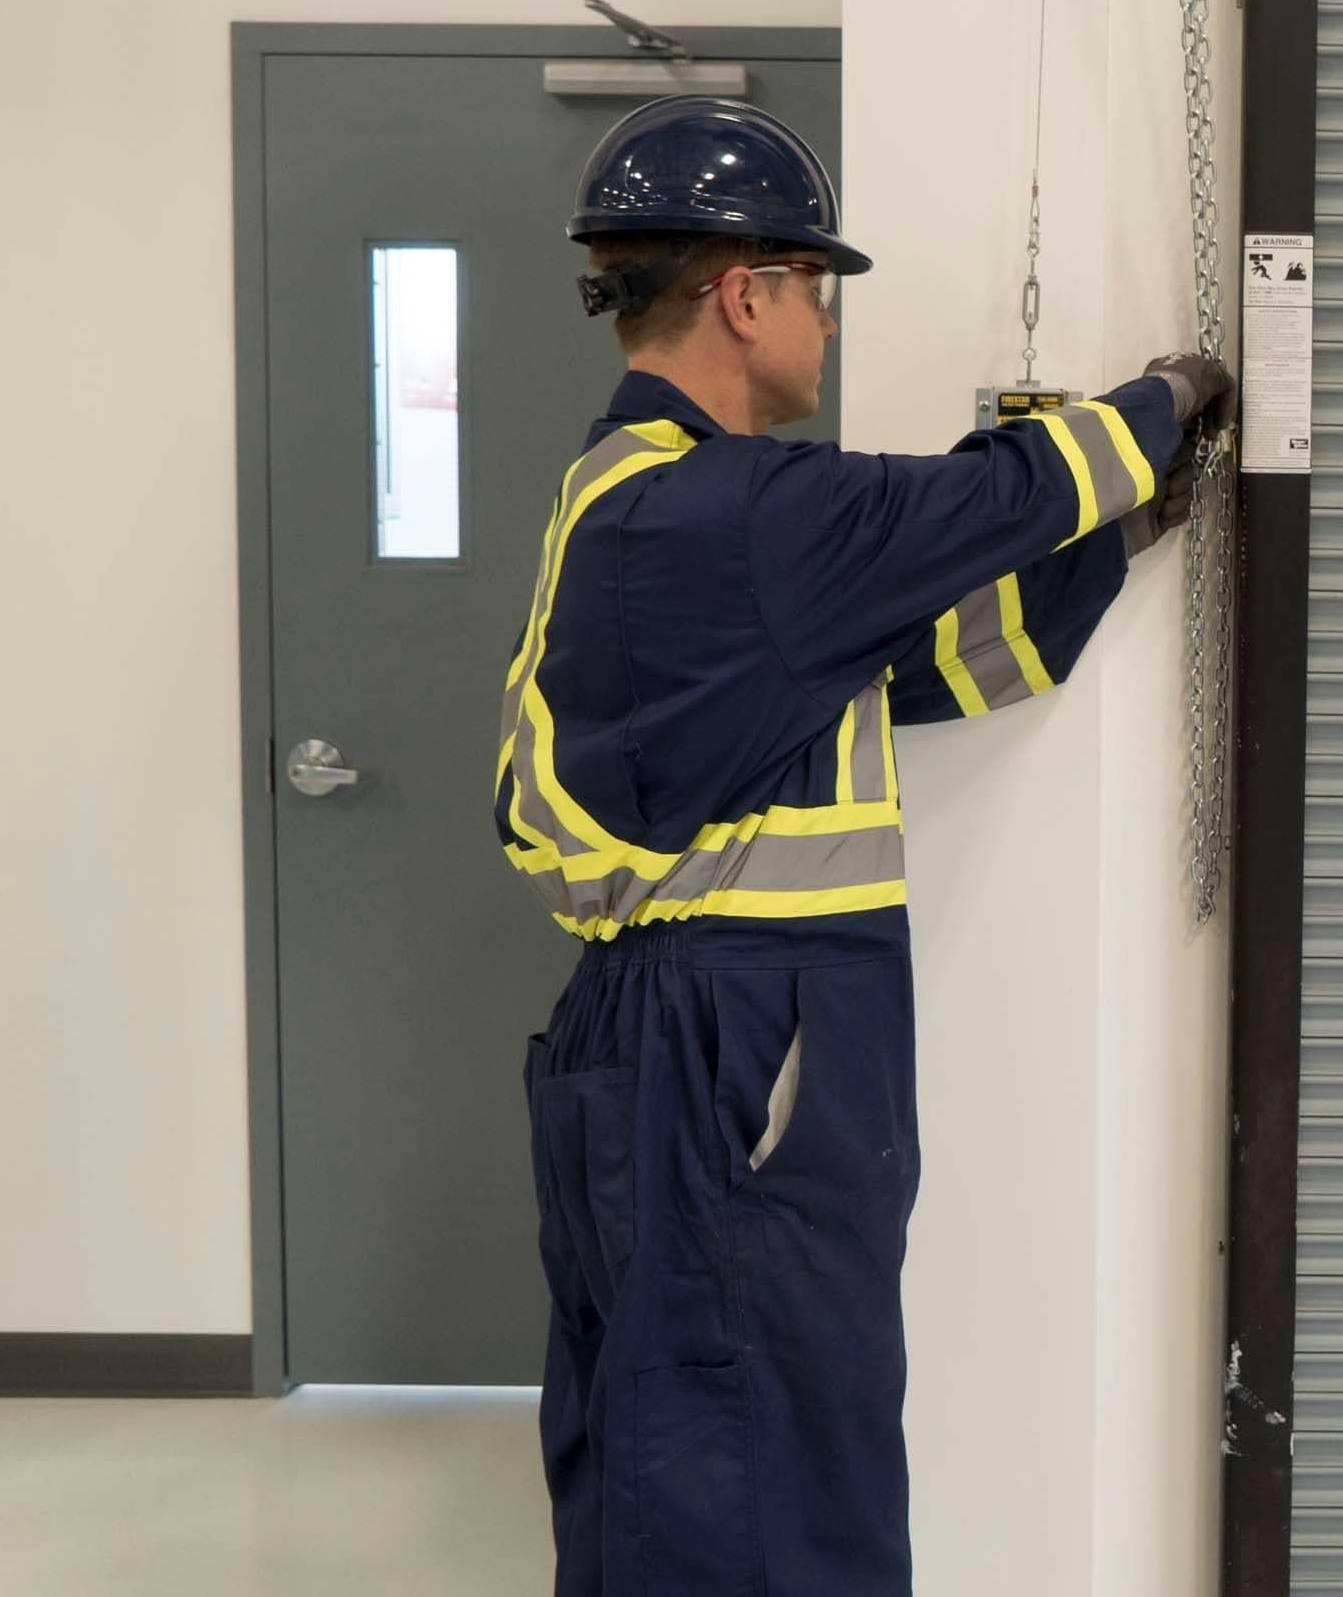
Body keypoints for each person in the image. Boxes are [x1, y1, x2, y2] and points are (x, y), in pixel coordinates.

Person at [498, 95, 1230, 1595]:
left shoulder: (656, 507)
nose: (827, 325)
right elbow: (993, 497)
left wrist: (1122, 531)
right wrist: (1173, 396)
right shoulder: (725, 515)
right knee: (749, 1465)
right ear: (744, 292)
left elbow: (941, 662)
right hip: (727, 1044)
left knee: (683, 1452)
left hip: (684, 1039)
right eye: (816, 288)